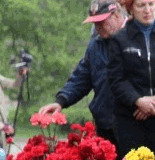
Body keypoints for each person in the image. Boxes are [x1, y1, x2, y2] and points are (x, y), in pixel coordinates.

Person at [39, 0, 126, 148]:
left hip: (131, 124)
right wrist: (61, 101)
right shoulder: (95, 45)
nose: (97, 27)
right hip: (105, 125)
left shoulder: (135, 38)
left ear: (116, 15)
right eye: (95, 23)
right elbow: (81, 77)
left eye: (101, 22)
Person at [108, 0, 155, 160]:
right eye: (141, 6)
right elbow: (116, 79)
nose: (147, 10)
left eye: (151, 4)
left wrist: (154, 100)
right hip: (131, 119)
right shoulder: (119, 40)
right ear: (131, 9)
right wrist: (137, 100)